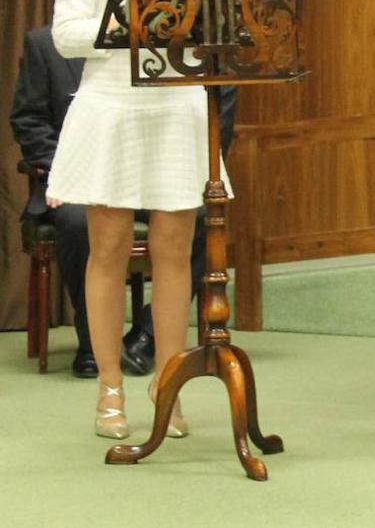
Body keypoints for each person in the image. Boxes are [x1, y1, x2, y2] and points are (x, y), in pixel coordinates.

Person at [47, 0, 222, 440]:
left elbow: (213, 22)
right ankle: (111, 390)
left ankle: (167, 388)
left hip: (177, 105)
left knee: (176, 253)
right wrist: (133, 16)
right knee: (109, 252)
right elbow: (64, 34)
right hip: (112, 106)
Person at [9, 26, 236, 379]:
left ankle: (146, 334)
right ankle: (93, 345)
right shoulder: (45, 43)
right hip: (85, 179)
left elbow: (218, 118)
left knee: (203, 218)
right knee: (76, 220)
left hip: (159, 174)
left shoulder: (169, 43)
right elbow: (29, 120)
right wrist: (67, 171)